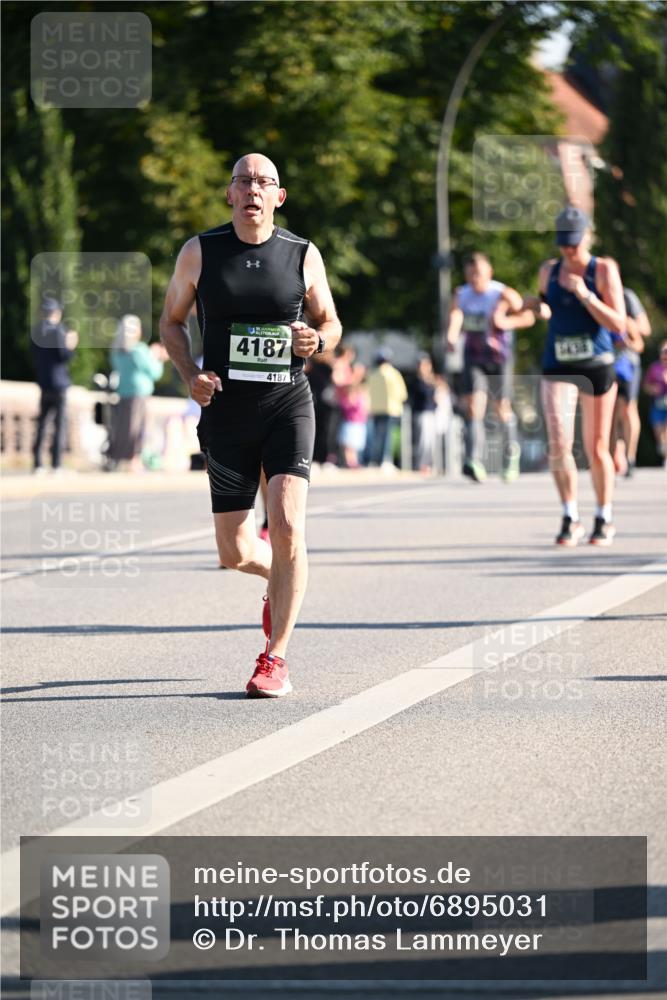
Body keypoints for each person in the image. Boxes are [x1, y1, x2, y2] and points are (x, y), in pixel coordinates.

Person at [159, 152, 342, 697]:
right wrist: (190, 373)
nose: (254, 190)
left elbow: (329, 320)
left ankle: (275, 658)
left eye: (265, 182)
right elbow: (170, 321)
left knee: (287, 527)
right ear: (230, 194)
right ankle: (279, 579)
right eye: (244, 181)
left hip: (288, 403)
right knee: (235, 552)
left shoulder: (303, 254)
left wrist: (319, 339)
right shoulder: (200, 252)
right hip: (226, 412)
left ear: (278, 197)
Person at [525, 206, 626, 546]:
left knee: (597, 447)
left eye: (574, 243)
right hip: (558, 364)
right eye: (563, 243)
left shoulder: (603, 269)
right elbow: (546, 307)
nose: (569, 250)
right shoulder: (548, 271)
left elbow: (619, 324)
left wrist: (586, 295)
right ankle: (570, 515)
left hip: (596, 364)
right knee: (558, 443)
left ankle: (604, 516)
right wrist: (537, 309)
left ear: (587, 236)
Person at [445, 253, 529, 483]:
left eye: (479, 275)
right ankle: (473, 460)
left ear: (489, 273)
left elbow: (527, 316)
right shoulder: (462, 294)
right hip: (474, 357)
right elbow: (456, 315)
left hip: (499, 358)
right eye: (470, 275)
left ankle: (511, 457)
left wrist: (506, 322)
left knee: (501, 407)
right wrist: (452, 337)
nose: (474, 279)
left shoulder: (501, 293)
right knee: (473, 406)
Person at [109, 315, 167, 472]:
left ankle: (121, 459)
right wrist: (158, 357)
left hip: (123, 392)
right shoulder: (139, 350)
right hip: (139, 393)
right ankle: (133, 460)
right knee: (137, 428)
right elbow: (155, 372)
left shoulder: (117, 350)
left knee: (124, 427)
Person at [31, 297, 78, 473]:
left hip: (44, 382)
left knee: (42, 424)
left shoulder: (37, 331)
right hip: (59, 384)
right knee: (59, 425)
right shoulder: (59, 331)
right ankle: (57, 464)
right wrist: (71, 345)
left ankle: (37, 464)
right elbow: (63, 356)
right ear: (57, 313)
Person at [611, 288, 651, 477]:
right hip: (604, 366)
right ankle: (613, 456)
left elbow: (641, 341)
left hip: (627, 366)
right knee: (610, 413)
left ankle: (630, 457)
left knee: (627, 409)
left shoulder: (627, 298)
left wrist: (626, 340)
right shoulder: (593, 298)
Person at [365, 347, 407, 468]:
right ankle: (385, 460)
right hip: (391, 409)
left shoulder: (372, 374)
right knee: (388, 436)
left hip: (375, 409)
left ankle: (375, 460)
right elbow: (402, 394)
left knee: (377, 435)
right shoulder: (393, 374)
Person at [410, 353, 438, 474]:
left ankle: (429, 464)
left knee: (431, 442)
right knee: (423, 441)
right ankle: (421, 464)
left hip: (431, 413)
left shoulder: (431, 381)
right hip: (421, 413)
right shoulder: (417, 381)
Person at [642, 341, 667, 465]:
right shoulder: (654, 367)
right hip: (657, 404)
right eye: (664, 351)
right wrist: (653, 389)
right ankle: (664, 453)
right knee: (659, 433)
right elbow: (646, 386)